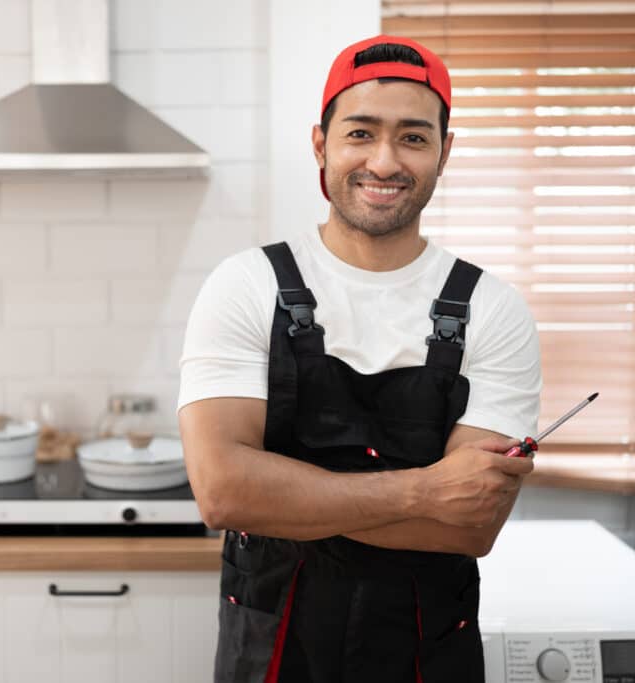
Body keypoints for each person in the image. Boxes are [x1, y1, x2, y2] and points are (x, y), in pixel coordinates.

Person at [177, 34, 543, 683]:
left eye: (412, 136)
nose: (383, 160)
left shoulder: (495, 309)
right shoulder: (245, 286)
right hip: (271, 654)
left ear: (443, 152)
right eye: (360, 133)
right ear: (321, 143)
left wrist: (288, 500)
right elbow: (224, 491)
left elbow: (470, 525)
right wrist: (426, 488)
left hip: (428, 656)